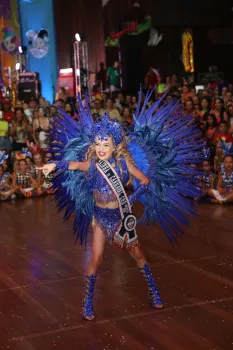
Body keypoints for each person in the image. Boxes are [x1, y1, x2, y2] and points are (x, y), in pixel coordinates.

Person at [39, 93, 203, 322]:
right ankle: (87, 303)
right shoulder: (94, 165)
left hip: (120, 217)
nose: (100, 148)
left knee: (138, 255)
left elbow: (145, 181)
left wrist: (131, 199)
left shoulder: (124, 163)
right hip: (99, 217)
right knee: (95, 259)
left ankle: (153, 290)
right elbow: (74, 164)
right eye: (97, 144)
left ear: (115, 145)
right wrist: (55, 164)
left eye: (105, 144)